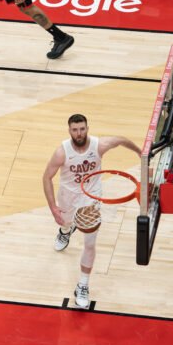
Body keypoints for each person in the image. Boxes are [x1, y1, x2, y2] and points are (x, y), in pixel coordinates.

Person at [42, 114, 139, 308]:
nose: (79, 133)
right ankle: (65, 231)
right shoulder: (62, 152)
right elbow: (46, 178)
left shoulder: (99, 145)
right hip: (68, 196)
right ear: (69, 131)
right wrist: (53, 207)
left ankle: (83, 285)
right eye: (75, 130)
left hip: (91, 198)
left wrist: (140, 152)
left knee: (90, 243)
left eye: (82, 129)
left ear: (87, 128)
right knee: (66, 222)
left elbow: (121, 140)